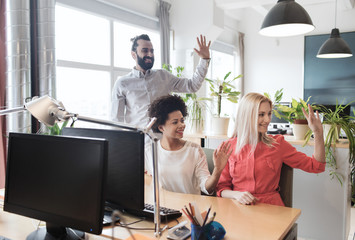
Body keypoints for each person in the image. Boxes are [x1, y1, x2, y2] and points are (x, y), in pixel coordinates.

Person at [216, 92, 326, 206]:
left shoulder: (278, 144)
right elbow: (221, 188)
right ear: (247, 116)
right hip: (239, 208)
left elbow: (316, 166)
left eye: (269, 114)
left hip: (271, 208)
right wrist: (236, 194)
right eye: (261, 114)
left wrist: (318, 133)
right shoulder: (227, 147)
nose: (268, 120)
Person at [111, 34, 211, 128]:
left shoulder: (164, 76)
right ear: (134, 55)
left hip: (164, 141)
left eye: (152, 51)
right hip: (138, 141)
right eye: (145, 51)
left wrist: (204, 60)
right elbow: (116, 121)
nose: (149, 54)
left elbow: (192, 86)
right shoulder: (122, 84)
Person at [145, 94, 232, 195]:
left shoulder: (194, 150)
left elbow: (207, 189)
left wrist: (218, 170)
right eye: (175, 122)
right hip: (163, 207)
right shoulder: (149, 151)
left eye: (182, 120)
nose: (182, 125)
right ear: (161, 128)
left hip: (189, 208)